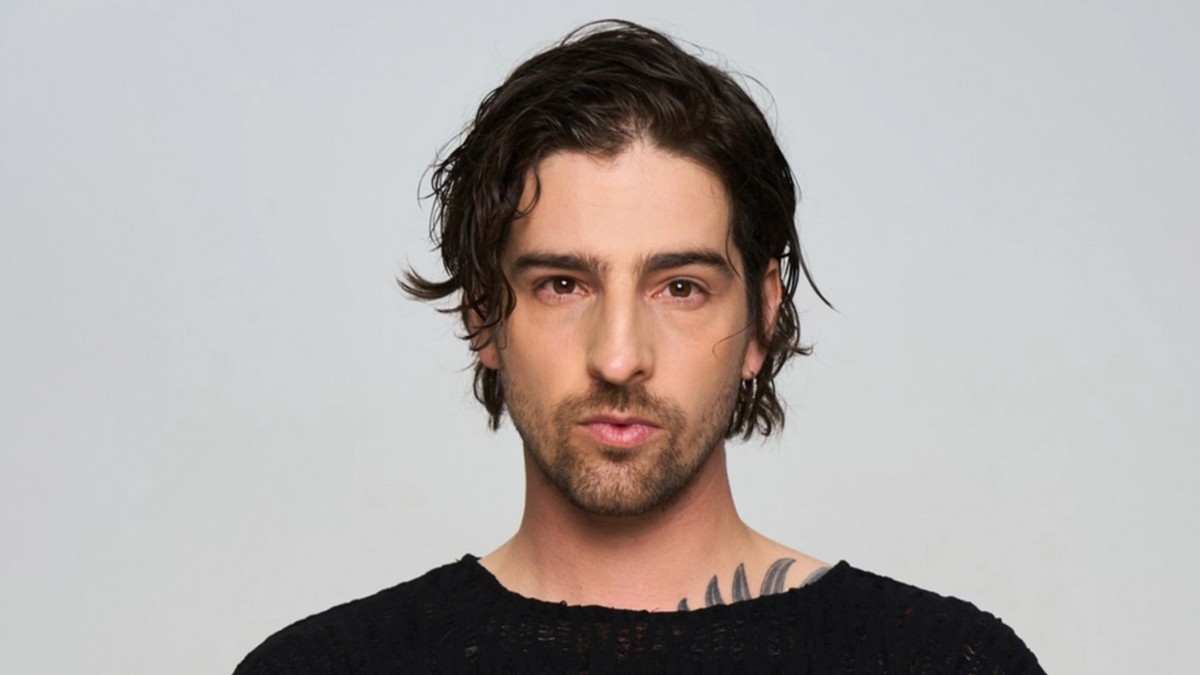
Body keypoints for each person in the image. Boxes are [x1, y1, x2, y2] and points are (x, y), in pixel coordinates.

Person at [235, 20, 1045, 674]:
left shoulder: (945, 662)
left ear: (763, 317)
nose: (619, 357)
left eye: (680, 287)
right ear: (483, 313)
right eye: (563, 284)